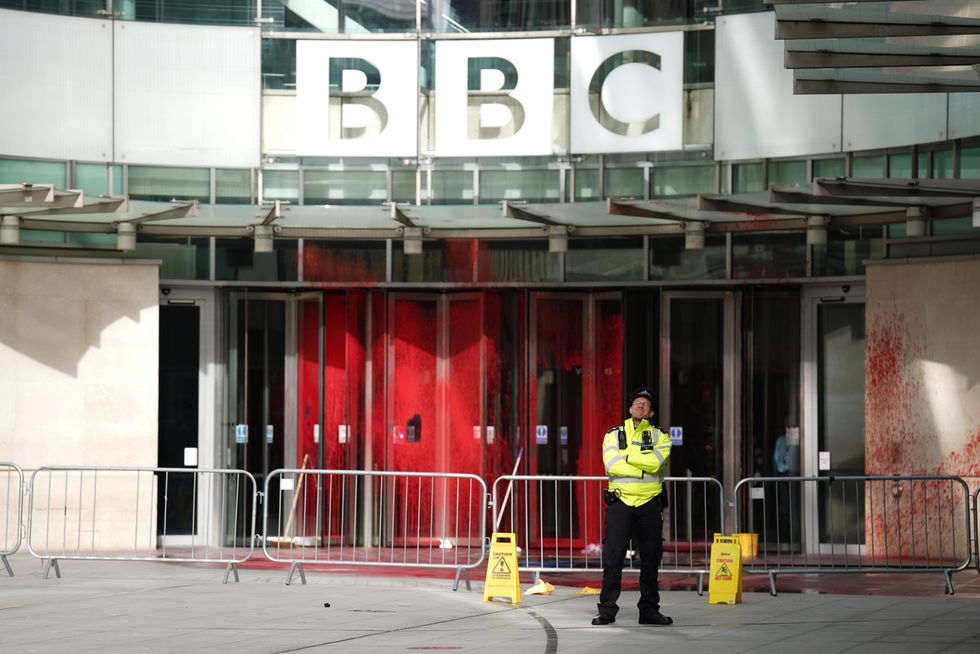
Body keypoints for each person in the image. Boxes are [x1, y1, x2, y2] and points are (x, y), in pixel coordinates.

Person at [592, 387, 673, 626]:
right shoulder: (613, 435)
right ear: (629, 409)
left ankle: (649, 610)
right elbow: (612, 465)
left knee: (650, 559)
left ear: (651, 413)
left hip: (649, 504)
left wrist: (627, 457)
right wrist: (641, 467)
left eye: (646, 404)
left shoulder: (661, 436)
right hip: (621, 503)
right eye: (637, 402)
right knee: (613, 558)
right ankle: (607, 610)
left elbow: (657, 463)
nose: (640, 405)